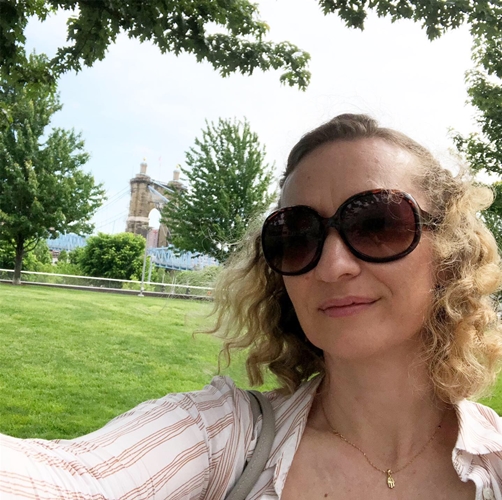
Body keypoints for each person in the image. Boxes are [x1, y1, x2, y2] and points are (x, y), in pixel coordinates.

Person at [1, 113, 502, 499]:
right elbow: (74, 479)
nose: (332, 266)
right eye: (297, 236)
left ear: (450, 254)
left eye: (377, 224)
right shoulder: (221, 438)